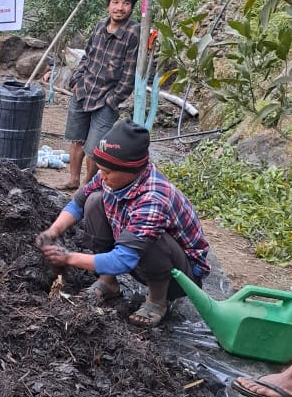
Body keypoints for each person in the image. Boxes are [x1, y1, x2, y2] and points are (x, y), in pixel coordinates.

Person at [36, 119, 210, 328]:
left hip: (179, 277)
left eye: (108, 172)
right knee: (93, 202)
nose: (103, 176)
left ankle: (157, 301)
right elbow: (78, 204)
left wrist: (68, 257)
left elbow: (123, 260)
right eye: (101, 169)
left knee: (152, 238)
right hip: (137, 253)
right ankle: (107, 282)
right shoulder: (110, 176)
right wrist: (53, 231)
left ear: (132, 170)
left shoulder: (153, 198)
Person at [64, 0, 140, 191]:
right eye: (115, 2)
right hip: (83, 90)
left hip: (106, 98)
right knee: (76, 138)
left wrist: (113, 99)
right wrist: (76, 80)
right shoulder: (100, 26)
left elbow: (129, 72)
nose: (119, 7)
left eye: (125, 3)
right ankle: (72, 180)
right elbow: (87, 56)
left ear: (131, 7)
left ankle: (87, 186)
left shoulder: (133, 33)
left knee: (95, 147)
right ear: (108, 5)